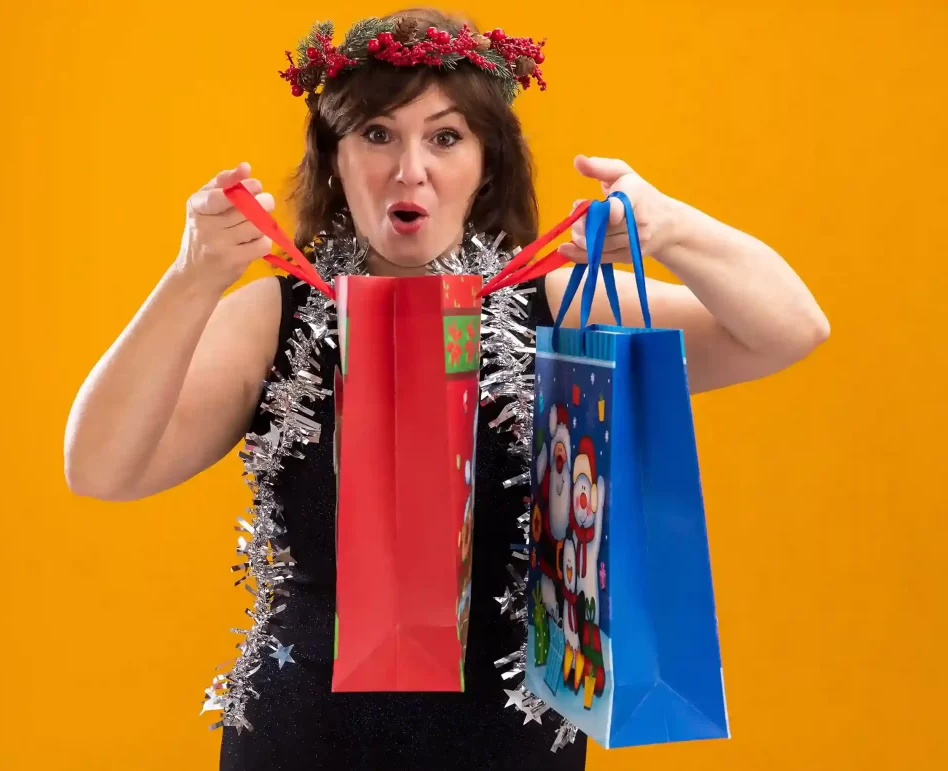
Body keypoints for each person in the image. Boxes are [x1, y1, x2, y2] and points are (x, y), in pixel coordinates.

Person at [63, 8, 829, 770]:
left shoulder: (556, 305)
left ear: (486, 162)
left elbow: (789, 328)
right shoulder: (277, 317)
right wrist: (190, 278)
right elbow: (100, 468)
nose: (410, 169)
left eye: (445, 136)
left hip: (511, 745)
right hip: (305, 743)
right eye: (377, 134)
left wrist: (676, 232)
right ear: (334, 158)